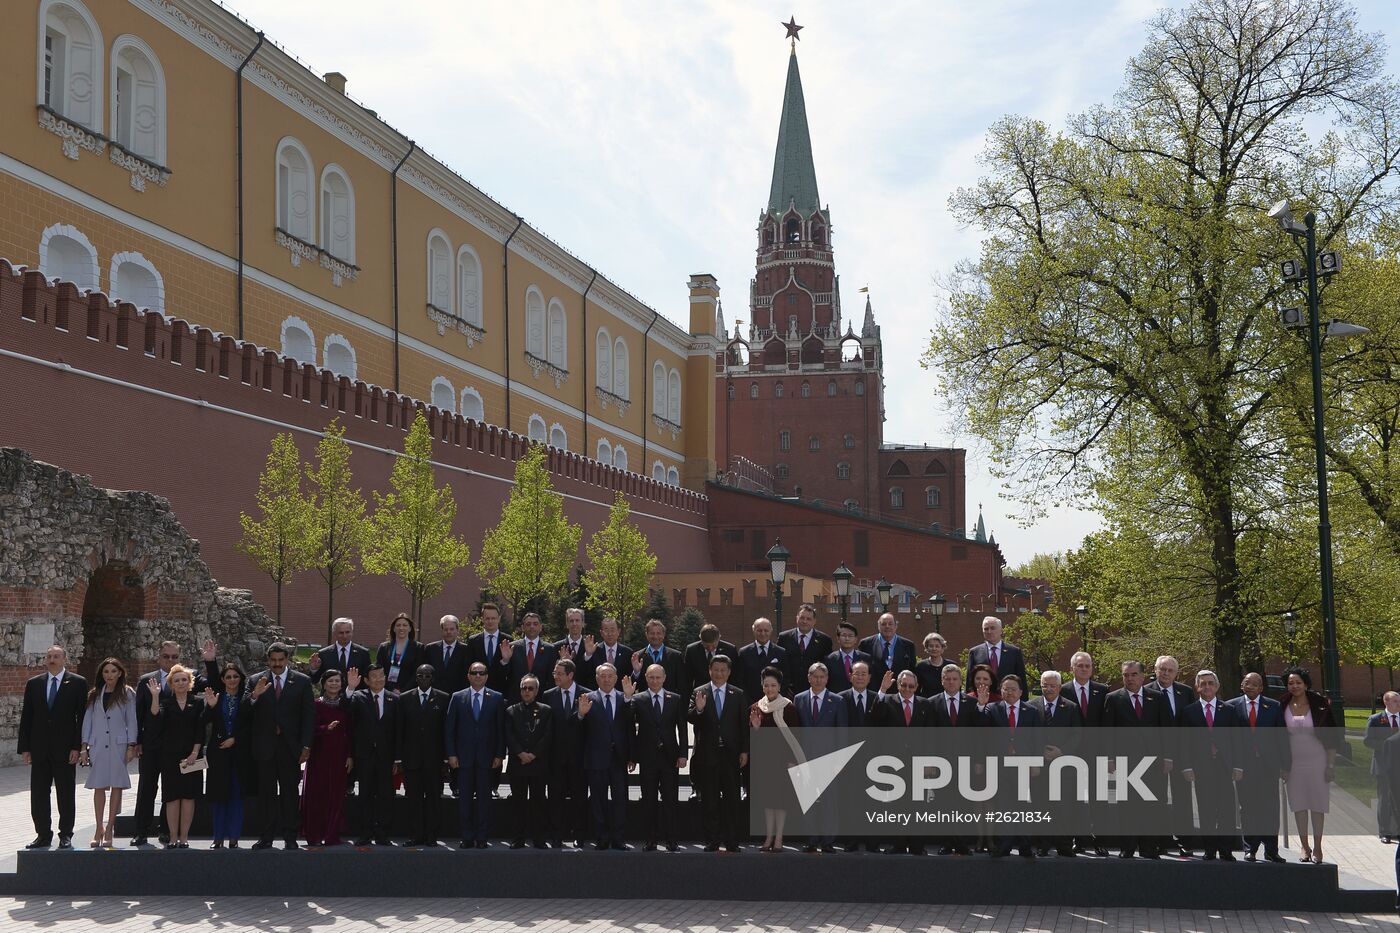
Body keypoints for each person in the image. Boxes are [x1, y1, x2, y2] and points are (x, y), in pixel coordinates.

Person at [132, 639, 215, 846]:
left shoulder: (191, 676)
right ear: (158, 657)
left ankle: (166, 831)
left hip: (181, 749)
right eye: (166, 656)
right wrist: (137, 742)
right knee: (147, 789)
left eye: (174, 657)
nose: (170, 660)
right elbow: (139, 714)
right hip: (152, 747)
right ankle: (141, 831)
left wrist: (210, 661)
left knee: (174, 791)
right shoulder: (146, 680)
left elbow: (214, 686)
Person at [1101, 659, 1175, 859]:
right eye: (1126, 675)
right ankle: (1128, 847)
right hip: (1126, 762)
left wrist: (1168, 757)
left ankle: (1149, 848)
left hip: (1154, 762)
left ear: (1142, 676)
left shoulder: (1157, 697)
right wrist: (1109, 759)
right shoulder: (1113, 698)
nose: (1130, 678)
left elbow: (1166, 729)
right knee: (1128, 806)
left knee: (1152, 805)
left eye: (1134, 675)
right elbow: (1107, 732)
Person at [246, 642, 315, 850]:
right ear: (268, 660)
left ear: (287, 659)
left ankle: (290, 836)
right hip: (265, 748)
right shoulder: (256, 680)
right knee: (266, 794)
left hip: (290, 748)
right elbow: (245, 712)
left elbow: (308, 716)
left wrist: (306, 746)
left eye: (280, 660)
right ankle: (266, 836)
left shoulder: (302, 682)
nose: (277, 664)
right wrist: (255, 695)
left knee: (290, 793)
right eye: (273, 661)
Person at [19, 646, 87, 850]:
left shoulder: (77, 683)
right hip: (39, 749)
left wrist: (78, 746)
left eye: (56, 656)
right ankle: (43, 834)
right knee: (39, 793)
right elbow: (27, 717)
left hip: (65, 749)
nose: (51, 659)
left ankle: (65, 834)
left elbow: (81, 717)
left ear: (65, 659)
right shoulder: (34, 684)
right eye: (48, 656)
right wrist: (25, 748)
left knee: (65, 793)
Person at [1226, 671, 1290, 862]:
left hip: (1268, 766)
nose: (1251, 686)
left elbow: (1282, 738)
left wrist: (1285, 766)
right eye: (1247, 683)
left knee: (1270, 808)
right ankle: (1250, 848)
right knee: (1248, 808)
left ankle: (1271, 849)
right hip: (1243, 767)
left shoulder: (1274, 706)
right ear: (1242, 685)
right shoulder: (1231, 707)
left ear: (1261, 688)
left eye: (1255, 684)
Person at [1178, 670, 1241, 861]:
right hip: (1201, 768)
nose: (1207, 686)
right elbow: (1184, 742)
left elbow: (1237, 740)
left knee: (1227, 811)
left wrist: (1238, 766)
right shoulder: (1189, 712)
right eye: (1203, 683)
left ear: (1217, 686)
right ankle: (1210, 849)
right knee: (1206, 810)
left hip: (1224, 768)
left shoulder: (1229, 710)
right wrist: (1186, 767)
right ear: (1197, 687)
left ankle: (1226, 850)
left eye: (1210, 683)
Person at [688, 654, 748, 852]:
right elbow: (691, 719)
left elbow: (742, 726)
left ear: (729, 672)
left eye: (723, 670)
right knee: (710, 801)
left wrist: (744, 751)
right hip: (708, 755)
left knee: (732, 800)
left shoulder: (738, 694)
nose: (719, 673)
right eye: (716, 670)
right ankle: (712, 840)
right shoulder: (699, 692)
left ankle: (732, 840)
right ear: (709, 671)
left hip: (731, 756)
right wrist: (699, 710)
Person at [1282, 666, 1341, 863]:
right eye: (1291, 683)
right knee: (1299, 804)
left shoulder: (1320, 703)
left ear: (1306, 684)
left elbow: (1332, 737)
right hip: (1293, 762)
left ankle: (1317, 847)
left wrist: (1330, 766)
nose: (1294, 686)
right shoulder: (1281, 703)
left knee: (1317, 804)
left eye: (1298, 682)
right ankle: (1304, 847)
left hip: (1318, 759)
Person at [445, 661, 505, 848]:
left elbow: (500, 730)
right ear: (468, 676)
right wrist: (451, 754)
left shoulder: (496, 698)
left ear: (487, 676)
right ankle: (467, 836)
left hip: (487, 759)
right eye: (474, 673)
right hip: (463, 759)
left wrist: (499, 755)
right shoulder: (457, 697)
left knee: (484, 800)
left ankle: (482, 837)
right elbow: (449, 729)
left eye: (482, 673)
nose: (478, 676)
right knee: (464, 801)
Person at [79, 658, 136, 848]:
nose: (109, 675)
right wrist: (83, 747)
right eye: (106, 672)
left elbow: (132, 720)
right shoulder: (95, 694)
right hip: (98, 745)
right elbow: (88, 720)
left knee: (117, 785)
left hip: (119, 745)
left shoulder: (127, 693)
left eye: (113, 671)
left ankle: (110, 826)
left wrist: (131, 745)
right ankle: (98, 828)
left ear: (119, 673)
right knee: (99, 786)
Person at [147, 664, 206, 848]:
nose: (180, 683)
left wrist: (195, 753)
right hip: (170, 757)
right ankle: (173, 837)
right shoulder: (165, 703)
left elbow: (200, 730)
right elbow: (155, 718)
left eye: (184, 680)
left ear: (189, 682)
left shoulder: (197, 702)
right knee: (172, 798)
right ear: (171, 684)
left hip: (192, 757)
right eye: (176, 680)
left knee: (188, 797)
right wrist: (155, 696)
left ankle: (184, 837)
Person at [578, 663, 634, 850]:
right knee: (598, 800)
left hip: (619, 759)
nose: (607, 679)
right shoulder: (587, 698)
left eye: (610, 675)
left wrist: (628, 698)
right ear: (597, 678)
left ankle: (618, 838)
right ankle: (601, 837)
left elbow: (630, 727)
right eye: (603, 676)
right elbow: (576, 729)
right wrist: (580, 714)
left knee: (620, 800)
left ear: (616, 678)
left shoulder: (624, 698)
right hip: (596, 759)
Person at [794, 661, 849, 852]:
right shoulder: (799, 699)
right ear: (809, 678)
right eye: (814, 676)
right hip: (805, 759)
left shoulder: (838, 700)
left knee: (829, 803)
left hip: (829, 760)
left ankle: (827, 841)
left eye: (821, 677)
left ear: (827, 679)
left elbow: (842, 733)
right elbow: (796, 731)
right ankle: (811, 839)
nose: (818, 680)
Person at [632, 662, 687, 852]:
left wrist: (683, 754)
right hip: (647, 757)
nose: (655, 680)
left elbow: (682, 727)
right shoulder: (637, 699)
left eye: (658, 677)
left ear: (664, 678)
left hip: (670, 757)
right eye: (651, 677)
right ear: (646, 678)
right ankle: (651, 839)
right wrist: (633, 756)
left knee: (670, 800)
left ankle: (671, 839)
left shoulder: (676, 699)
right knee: (649, 800)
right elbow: (629, 726)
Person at [1145, 654, 1196, 855]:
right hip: (1155, 756)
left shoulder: (1185, 692)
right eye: (1162, 669)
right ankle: (1160, 839)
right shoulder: (1146, 692)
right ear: (1155, 670)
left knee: (1182, 799)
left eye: (1170, 670)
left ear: (1176, 673)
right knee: (1157, 798)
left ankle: (1185, 841)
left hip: (1181, 755)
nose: (1166, 673)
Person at [986, 673, 1041, 858]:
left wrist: (1036, 764)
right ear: (1001, 691)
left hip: (1024, 765)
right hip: (1000, 766)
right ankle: (1005, 845)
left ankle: (1026, 846)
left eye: (1013, 689)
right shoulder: (992, 709)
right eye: (1005, 689)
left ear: (1020, 692)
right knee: (1004, 806)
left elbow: (1037, 740)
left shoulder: (1031, 711)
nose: (1009, 692)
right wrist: (980, 704)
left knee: (1023, 806)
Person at [1028, 669, 1081, 857]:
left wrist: (1062, 751)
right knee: (1042, 805)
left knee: (1064, 806)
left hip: (1064, 765)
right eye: (1045, 685)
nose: (1048, 689)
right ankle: (1044, 844)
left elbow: (1078, 735)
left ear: (1059, 687)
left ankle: (1064, 845)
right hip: (1040, 766)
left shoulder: (1071, 707)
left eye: (1052, 686)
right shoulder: (1031, 706)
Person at [201, 661, 253, 849]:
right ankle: (218, 837)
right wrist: (211, 706)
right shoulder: (217, 696)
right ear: (222, 679)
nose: (232, 680)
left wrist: (236, 739)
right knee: (219, 795)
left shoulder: (247, 698)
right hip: (219, 753)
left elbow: (250, 726)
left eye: (235, 676)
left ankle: (234, 837)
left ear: (241, 679)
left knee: (236, 796)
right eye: (228, 677)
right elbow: (204, 721)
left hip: (239, 754)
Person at [344, 665, 398, 846]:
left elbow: (399, 731)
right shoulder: (358, 697)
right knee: (365, 794)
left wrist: (397, 758)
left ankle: (382, 832)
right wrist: (351, 688)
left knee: (385, 795)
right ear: (366, 680)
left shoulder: (394, 699)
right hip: (364, 755)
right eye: (374, 677)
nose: (379, 679)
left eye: (381, 676)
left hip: (386, 756)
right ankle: (365, 832)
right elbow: (347, 717)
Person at [749, 666, 800, 851]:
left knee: (781, 802)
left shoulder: (789, 707)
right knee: (767, 802)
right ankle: (768, 837)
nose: (769, 689)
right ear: (762, 687)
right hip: (764, 762)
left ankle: (779, 838)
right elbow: (754, 741)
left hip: (783, 762)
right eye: (766, 685)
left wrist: (793, 760)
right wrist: (755, 729)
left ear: (779, 687)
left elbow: (795, 737)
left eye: (773, 685)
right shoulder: (757, 707)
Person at [398, 664, 450, 846]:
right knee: (413, 798)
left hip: (434, 759)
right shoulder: (405, 698)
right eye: (420, 675)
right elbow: (400, 730)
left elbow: (446, 730)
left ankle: (431, 835)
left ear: (433, 678)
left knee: (433, 798)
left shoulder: (443, 698)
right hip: (411, 758)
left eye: (427, 676)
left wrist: (445, 758)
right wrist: (399, 758)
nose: (424, 679)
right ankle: (415, 834)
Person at [301, 669, 353, 846]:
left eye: (337, 681)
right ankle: (314, 834)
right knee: (317, 795)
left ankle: (332, 835)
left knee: (336, 796)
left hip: (340, 756)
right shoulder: (315, 704)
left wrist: (350, 756)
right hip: (318, 755)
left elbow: (352, 732)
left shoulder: (346, 704)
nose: (334, 684)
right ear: (323, 684)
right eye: (330, 681)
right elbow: (308, 729)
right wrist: (325, 728)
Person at [1067, 650, 1110, 856]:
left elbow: (1107, 726)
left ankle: (1099, 840)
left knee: (1098, 800)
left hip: (1097, 755)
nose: (1084, 669)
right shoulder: (1063, 690)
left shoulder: (1103, 692)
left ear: (1092, 669)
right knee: (1074, 800)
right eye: (1080, 665)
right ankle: (1079, 840)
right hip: (1071, 754)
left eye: (1087, 666)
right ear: (1072, 668)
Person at [541, 658, 588, 847]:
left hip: (579, 757)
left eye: (559, 673)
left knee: (579, 798)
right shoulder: (548, 695)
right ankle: (556, 834)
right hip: (556, 757)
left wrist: (581, 715)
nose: (555, 676)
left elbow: (589, 727)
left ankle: (579, 834)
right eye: (554, 673)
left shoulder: (586, 694)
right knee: (555, 797)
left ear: (570, 675)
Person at [504, 674, 553, 848]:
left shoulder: (546, 710)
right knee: (518, 802)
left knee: (538, 802)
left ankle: (538, 838)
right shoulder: (511, 710)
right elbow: (509, 735)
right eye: (523, 688)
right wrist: (520, 753)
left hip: (538, 764)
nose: (526, 691)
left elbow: (547, 736)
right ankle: (518, 838)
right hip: (518, 764)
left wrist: (533, 754)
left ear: (537, 690)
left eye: (530, 688)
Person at [1364, 691, 1400, 844]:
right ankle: (1385, 832)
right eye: (1395, 701)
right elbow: (1368, 741)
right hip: (1383, 766)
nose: (1398, 704)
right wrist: (1387, 746)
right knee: (1385, 799)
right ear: (1386, 702)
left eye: (1399, 701)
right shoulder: (1376, 719)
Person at [500, 612, 559, 703]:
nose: (532, 626)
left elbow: (551, 679)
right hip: (516, 701)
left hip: (541, 701)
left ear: (540, 627)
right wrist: (505, 660)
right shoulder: (512, 648)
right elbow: (504, 676)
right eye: (528, 624)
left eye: (535, 624)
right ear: (523, 628)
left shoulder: (550, 649)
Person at [777, 604, 832, 693]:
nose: (805, 621)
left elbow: (827, 667)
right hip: (788, 691)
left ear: (814, 621)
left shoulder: (824, 640)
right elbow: (780, 664)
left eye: (808, 619)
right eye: (802, 618)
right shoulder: (784, 638)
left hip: (814, 690)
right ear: (797, 618)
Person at [969, 616, 1028, 693]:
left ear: (1001, 630)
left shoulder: (1014, 652)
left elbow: (1021, 679)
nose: (989, 631)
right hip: (982, 698)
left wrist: (1023, 702)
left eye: (992, 628)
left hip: (1007, 698)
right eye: (986, 629)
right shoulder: (975, 652)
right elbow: (970, 680)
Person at [736, 617, 789, 702]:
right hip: (750, 702)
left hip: (775, 702)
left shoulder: (781, 652)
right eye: (759, 630)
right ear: (753, 631)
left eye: (766, 630)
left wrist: (777, 698)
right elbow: (740, 680)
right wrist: (748, 701)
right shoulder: (744, 653)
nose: (763, 633)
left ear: (771, 631)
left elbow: (785, 679)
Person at [859, 613, 918, 687]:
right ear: (878, 626)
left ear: (896, 626)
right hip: (874, 692)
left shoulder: (908, 645)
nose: (887, 626)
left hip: (900, 692)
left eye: (890, 624)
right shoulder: (866, 644)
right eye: (883, 624)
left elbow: (912, 671)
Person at [631, 618, 686, 695]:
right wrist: (636, 672)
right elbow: (632, 687)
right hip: (645, 703)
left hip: (669, 703)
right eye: (652, 633)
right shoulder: (638, 657)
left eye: (658, 633)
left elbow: (682, 686)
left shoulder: (675, 656)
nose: (655, 636)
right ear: (646, 635)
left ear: (663, 635)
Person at [465, 603, 510, 694]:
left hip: (501, 690)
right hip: (477, 691)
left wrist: (505, 661)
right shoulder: (473, 641)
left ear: (499, 619)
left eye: (493, 618)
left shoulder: (508, 640)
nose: (490, 621)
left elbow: (511, 670)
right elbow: (468, 667)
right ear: (482, 619)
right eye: (487, 618)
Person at [312, 617, 372, 684]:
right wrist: (314, 670)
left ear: (352, 632)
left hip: (355, 693)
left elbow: (368, 679)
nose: (344, 636)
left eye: (347, 632)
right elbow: (314, 680)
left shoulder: (363, 653)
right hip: (331, 693)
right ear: (334, 633)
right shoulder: (324, 654)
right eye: (341, 633)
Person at [377, 612, 426, 694]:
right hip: (386, 691)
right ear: (393, 628)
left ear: (410, 628)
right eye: (398, 625)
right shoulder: (384, 647)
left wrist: (404, 691)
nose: (401, 628)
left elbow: (417, 672)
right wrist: (391, 689)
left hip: (409, 693)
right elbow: (379, 670)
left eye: (405, 625)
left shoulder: (418, 647)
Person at [579, 616, 632, 691]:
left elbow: (631, 677)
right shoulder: (594, 650)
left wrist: (636, 671)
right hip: (597, 697)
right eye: (606, 630)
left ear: (618, 631)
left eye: (612, 630)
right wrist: (588, 655)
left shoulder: (627, 653)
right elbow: (583, 674)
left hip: (620, 697)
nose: (609, 634)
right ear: (601, 633)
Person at [684, 624, 738, 696]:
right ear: (700, 639)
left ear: (719, 638)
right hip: (700, 693)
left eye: (713, 645)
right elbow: (687, 677)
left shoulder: (730, 650)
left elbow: (735, 677)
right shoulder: (692, 650)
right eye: (706, 645)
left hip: (724, 693)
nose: (710, 648)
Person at [424, 614, 470, 695]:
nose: (449, 632)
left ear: (457, 630)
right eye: (446, 629)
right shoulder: (430, 649)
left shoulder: (466, 650)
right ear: (442, 630)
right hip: (435, 696)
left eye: (452, 629)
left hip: (457, 696)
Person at [824, 621, 872, 695]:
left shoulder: (866, 658)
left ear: (856, 639)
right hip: (836, 700)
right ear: (838, 638)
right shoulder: (829, 659)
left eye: (850, 636)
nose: (847, 639)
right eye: (844, 635)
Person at [913, 632, 955, 697]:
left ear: (942, 648)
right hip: (927, 703)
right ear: (926, 648)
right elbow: (916, 690)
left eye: (937, 646)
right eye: (931, 646)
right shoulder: (920, 666)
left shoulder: (951, 665)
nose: (934, 648)